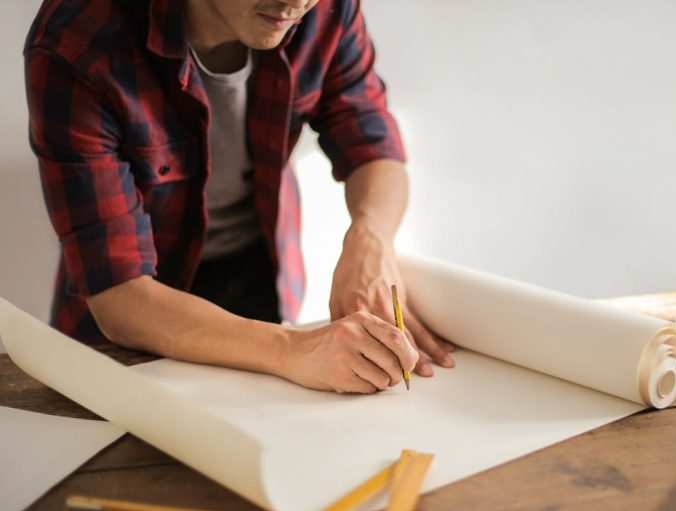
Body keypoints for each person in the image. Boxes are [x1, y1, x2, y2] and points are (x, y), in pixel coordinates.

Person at [24, 0, 454, 393]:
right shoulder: (77, 40)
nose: (296, 3)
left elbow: (373, 144)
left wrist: (370, 239)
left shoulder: (325, 10)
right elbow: (119, 296)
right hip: (131, 323)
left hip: (258, 275)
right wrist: (293, 349)